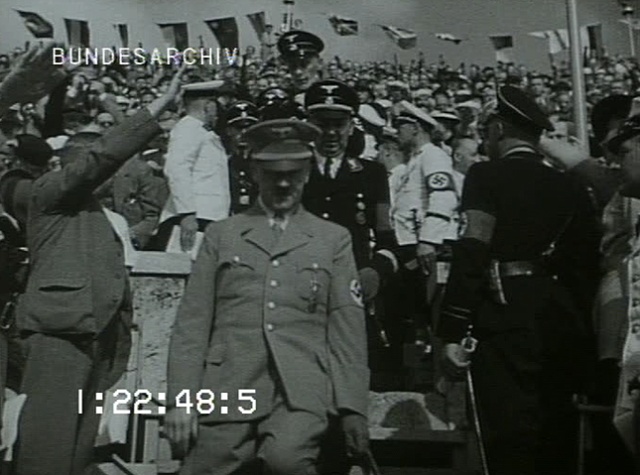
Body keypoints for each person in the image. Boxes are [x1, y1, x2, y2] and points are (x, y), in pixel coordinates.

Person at [165, 118, 369, 474]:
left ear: (308, 173)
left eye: (294, 172)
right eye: (273, 173)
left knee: (286, 462)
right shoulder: (222, 235)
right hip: (230, 385)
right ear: (255, 173)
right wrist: (181, 402)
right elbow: (192, 324)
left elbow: (347, 328)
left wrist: (353, 408)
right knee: (207, 466)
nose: (284, 182)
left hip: (302, 389)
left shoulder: (332, 239)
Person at [13, 67, 184, 475]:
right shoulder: (49, 195)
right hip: (61, 337)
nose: (110, 172)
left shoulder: (99, 213)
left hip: (96, 339)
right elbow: (100, 158)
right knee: (47, 453)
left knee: (75, 453)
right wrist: (153, 109)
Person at [437, 86, 600, 475]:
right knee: (556, 433)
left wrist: (452, 327)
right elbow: (584, 262)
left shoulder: (484, 175)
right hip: (559, 319)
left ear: (496, 130)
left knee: (506, 435)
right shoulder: (571, 184)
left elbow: (475, 248)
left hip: (501, 315)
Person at [303, 80, 397, 300]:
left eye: (339, 124)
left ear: (352, 126)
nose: (331, 132)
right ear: (309, 124)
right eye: (322, 124)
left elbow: (386, 237)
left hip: (353, 288)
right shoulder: (291, 170)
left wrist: (375, 270)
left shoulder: (372, 174)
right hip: (300, 289)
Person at [158, 81, 231, 253]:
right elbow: (176, 169)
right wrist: (187, 213)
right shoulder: (188, 127)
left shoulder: (201, 131)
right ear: (208, 105)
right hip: (194, 218)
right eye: (216, 105)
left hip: (207, 217)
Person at [220, 100, 259, 214]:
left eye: (249, 128)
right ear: (228, 131)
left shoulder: (264, 162)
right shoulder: (221, 162)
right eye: (238, 128)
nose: (244, 133)